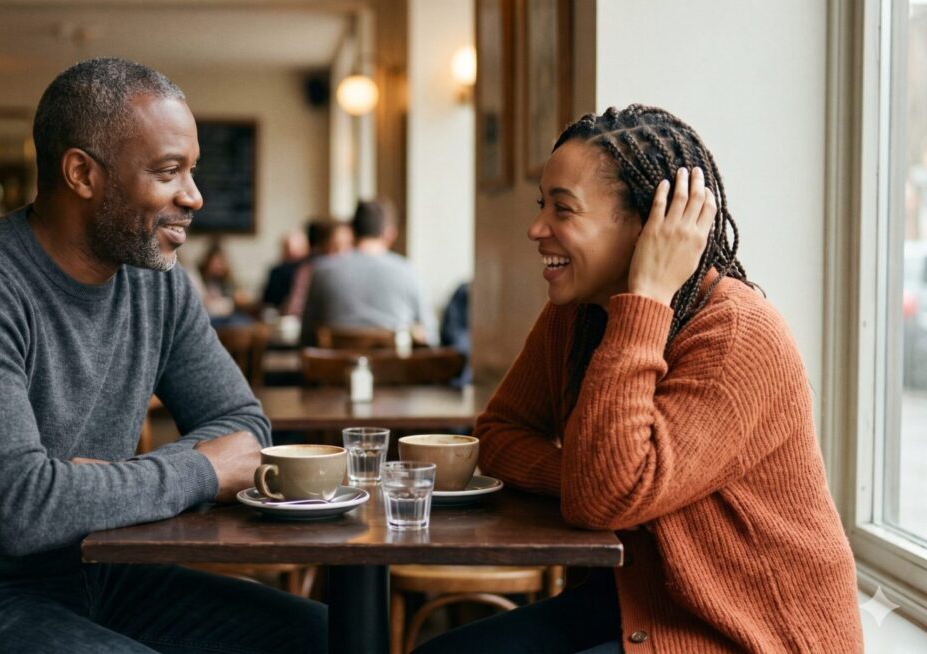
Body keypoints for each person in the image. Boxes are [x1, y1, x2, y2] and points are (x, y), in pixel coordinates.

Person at [0, 58, 326, 653]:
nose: (194, 196)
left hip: (95, 566)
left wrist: (95, 485)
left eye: (193, 170)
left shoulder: (159, 283)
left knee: (319, 636)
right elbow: (22, 509)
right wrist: (201, 470)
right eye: (168, 171)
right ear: (81, 173)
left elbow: (244, 428)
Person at [417, 106, 861, 653]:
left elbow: (604, 499)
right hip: (633, 604)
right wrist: (586, 476)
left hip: (744, 632)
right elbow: (500, 436)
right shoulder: (578, 314)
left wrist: (647, 297)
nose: (537, 229)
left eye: (563, 209)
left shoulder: (737, 335)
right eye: (541, 206)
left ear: (650, 224)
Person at [300, 199, 436, 346]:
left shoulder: (322, 272)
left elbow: (306, 337)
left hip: (337, 360)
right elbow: (431, 337)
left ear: (352, 231)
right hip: (393, 360)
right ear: (390, 234)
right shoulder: (409, 272)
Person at [261, 229, 309, 310]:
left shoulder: (309, 271)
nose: (291, 252)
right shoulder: (276, 271)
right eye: (286, 248)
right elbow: (268, 300)